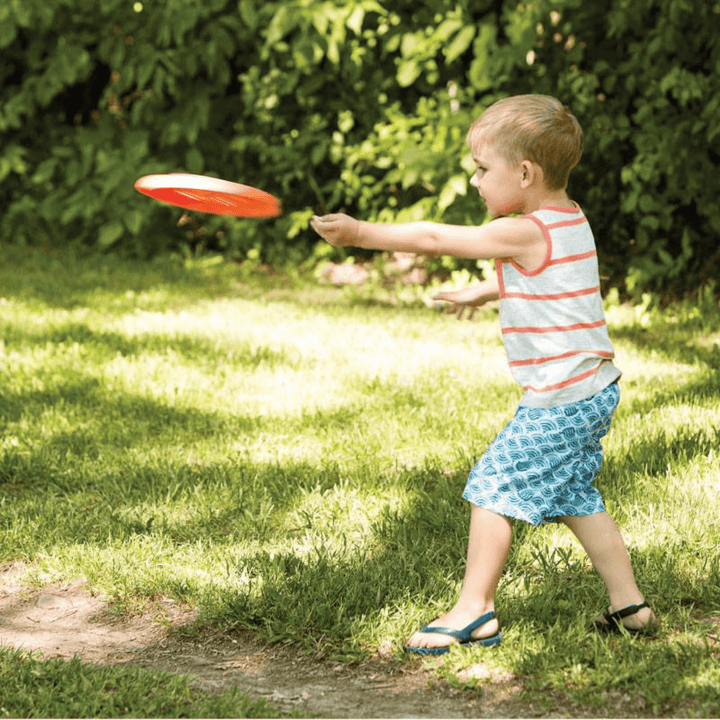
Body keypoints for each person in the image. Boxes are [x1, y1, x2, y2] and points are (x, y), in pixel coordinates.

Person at [310, 94, 656, 655]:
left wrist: (359, 235)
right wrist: (487, 288)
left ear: (524, 172)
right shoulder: (569, 219)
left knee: (492, 485)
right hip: (594, 388)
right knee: (573, 495)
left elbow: (434, 238)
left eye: (481, 169)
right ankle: (630, 606)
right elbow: (554, 283)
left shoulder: (522, 232)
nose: (474, 182)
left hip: (562, 396)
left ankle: (475, 609)